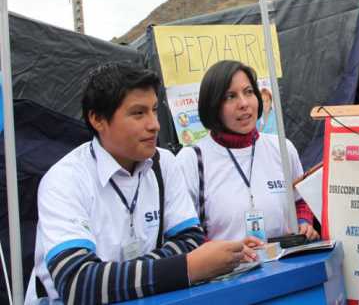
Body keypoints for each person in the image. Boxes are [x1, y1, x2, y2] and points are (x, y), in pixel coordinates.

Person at [25, 62, 257, 304]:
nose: (154, 124)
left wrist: (118, 275)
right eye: (138, 113)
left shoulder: (164, 163)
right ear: (97, 119)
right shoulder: (65, 179)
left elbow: (190, 240)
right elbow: (77, 284)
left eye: (155, 110)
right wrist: (186, 268)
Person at [177, 60, 319, 242]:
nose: (243, 103)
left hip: (286, 266)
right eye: (230, 96)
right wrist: (225, 254)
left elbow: (300, 200)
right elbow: (184, 235)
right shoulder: (192, 159)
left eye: (249, 92)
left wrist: (303, 222)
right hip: (226, 270)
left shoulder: (282, 148)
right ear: (213, 105)